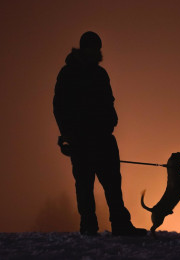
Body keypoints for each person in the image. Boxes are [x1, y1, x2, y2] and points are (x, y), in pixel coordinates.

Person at [53, 31, 147, 236]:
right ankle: (88, 226)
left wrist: (111, 120)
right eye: (92, 47)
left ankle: (120, 224)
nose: (95, 51)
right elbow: (60, 107)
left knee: (112, 183)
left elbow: (108, 101)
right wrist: (67, 134)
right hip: (81, 139)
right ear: (84, 48)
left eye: (97, 47)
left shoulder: (99, 73)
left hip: (103, 137)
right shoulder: (68, 73)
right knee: (86, 185)